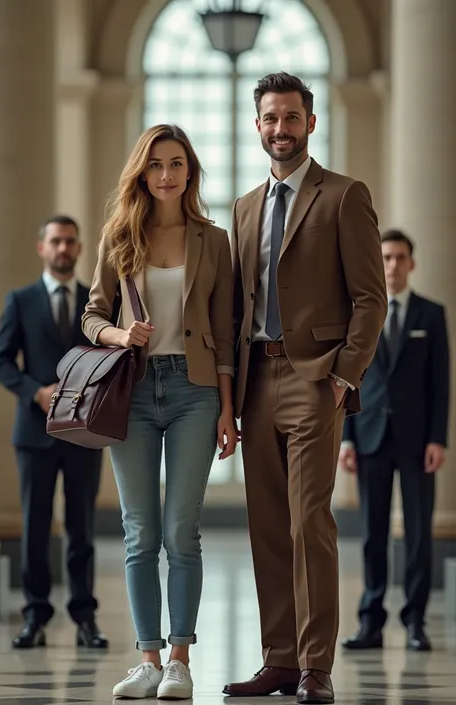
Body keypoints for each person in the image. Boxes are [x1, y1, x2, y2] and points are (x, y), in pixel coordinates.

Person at [223, 72, 387, 705]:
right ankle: (281, 660)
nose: (281, 129)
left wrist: (345, 374)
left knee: (308, 523)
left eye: (292, 118)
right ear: (257, 124)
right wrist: (228, 393)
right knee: (266, 524)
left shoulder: (344, 196)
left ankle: (317, 665)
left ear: (310, 123)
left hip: (318, 378)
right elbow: (235, 306)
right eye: (270, 118)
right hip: (256, 378)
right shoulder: (242, 208)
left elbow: (370, 297)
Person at [82, 124, 237, 700]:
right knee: (139, 531)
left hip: (196, 391)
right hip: (136, 390)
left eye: (176, 164)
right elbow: (91, 316)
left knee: (181, 531)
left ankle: (179, 659)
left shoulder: (212, 239)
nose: (166, 174)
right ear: (142, 174)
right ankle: (147, 659)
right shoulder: (120, 236)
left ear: (190, 172)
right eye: (156, 165)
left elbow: (224, 331)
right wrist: (121, 334)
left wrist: (227, 408)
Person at [0, 215, 107, 650]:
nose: (63, 249)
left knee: (82, 529)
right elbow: (0, 361)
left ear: (78, 250)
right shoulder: (19, 300)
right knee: (35, 527)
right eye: (55, 241)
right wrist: (34, 392)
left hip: (83, 431)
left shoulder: (94, 303)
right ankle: (34, 617)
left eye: (70, 242)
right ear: (42, 247)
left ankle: (85, 618)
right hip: (34, 433)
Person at [340, 229, 450, 653]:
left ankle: (416, 621)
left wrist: (438, 438)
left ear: (411, 263)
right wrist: (347, 438)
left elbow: (441, 384)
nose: (392, 264)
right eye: (385, 257)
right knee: (372, 532)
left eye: (400, 257)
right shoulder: (360, 315)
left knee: (420, 533)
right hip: (369, 436)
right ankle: (370, 620)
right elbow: (349, 378)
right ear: (378, 261)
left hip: (418, 439)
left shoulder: (431, 314)